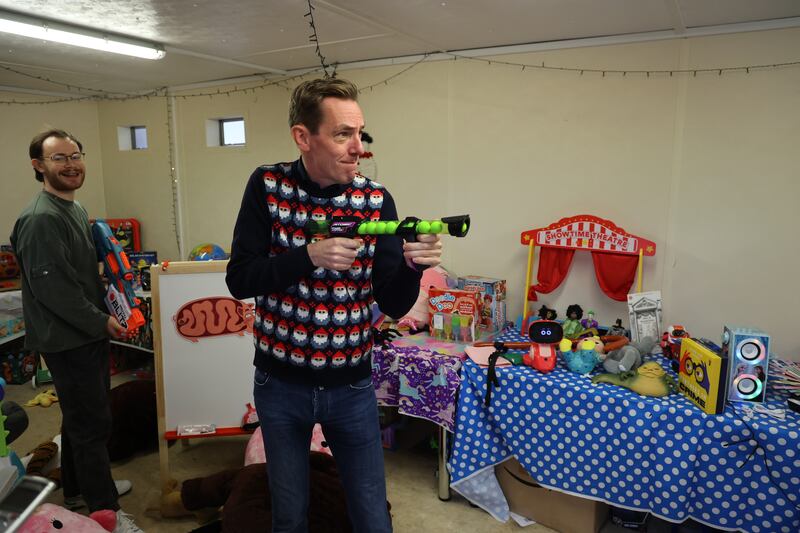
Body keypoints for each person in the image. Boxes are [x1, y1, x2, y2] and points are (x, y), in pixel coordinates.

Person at [226, 78, 442, 532]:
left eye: (361, 134)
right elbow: (240, 279)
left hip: (352, 388)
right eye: (343, 134)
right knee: (288, 514)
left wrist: (412, 267)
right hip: (280, 383)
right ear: (304, 137)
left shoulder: (375, 199)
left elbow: (394, 304)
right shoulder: (266, 186)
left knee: (371, 514)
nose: (358, 148)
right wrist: (307, 257)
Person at [10, 129, 143, 533]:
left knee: (81, 418)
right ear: (38, 166)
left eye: (75, 155)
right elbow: (56, 292)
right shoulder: (40, 219)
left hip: (83, 333)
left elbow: (80, 276)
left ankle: (77, 488)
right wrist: (103, 320)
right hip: (68, 338)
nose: (70, 164)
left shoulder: (72, 207)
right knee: (91, 424)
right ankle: (105, 510)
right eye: (58, 158)